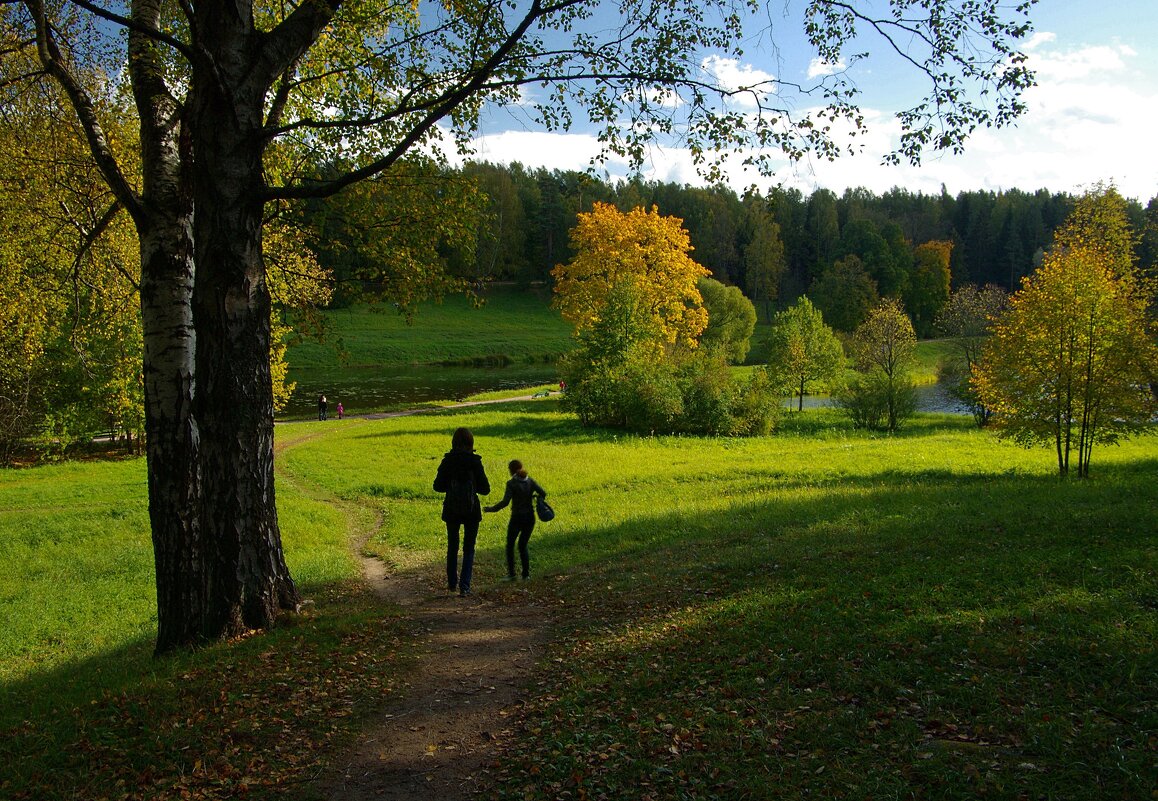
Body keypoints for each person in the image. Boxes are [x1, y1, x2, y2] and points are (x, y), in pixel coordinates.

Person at [433, 427, 490, 596]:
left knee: (452, 546)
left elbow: (437, 486)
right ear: (470, 443)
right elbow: (485, 489)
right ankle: (465, 586)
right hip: (472, 510)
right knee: (469, 548)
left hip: (451, 509)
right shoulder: (475, 462)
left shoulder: (448, 461)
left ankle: (452, 583)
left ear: (454, 442)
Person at [485, 459, 546, 582]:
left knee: (510, 545)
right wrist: (535, 498)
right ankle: (526, 575)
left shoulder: (511, 483)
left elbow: (505, 502)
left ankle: (512, 574)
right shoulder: (530, 481)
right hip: (530, 517)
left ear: (511, 470)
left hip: (517, 518)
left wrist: (491, 509)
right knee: (523, 546)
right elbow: (543, 493)